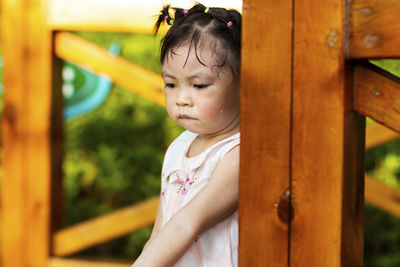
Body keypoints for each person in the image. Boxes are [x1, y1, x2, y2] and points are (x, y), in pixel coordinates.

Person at [132, 3, 241, 266]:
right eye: (171, 84)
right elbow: (161, 230)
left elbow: (186, 224)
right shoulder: (179, 148)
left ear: (243, 86)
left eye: (199, 85)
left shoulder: (237, 154)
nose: (181, 99)